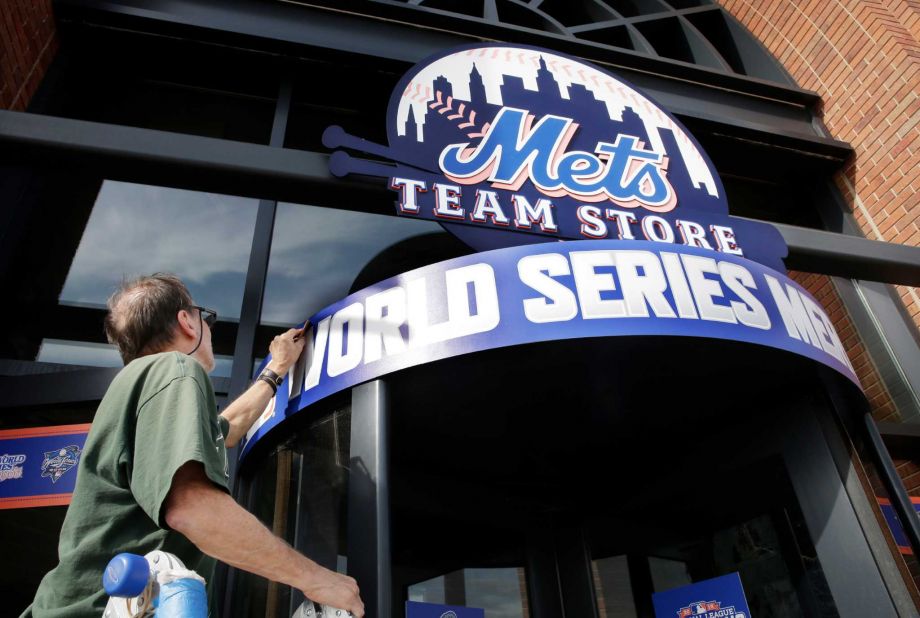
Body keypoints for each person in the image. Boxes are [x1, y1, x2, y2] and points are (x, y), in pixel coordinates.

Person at [22, 273, 364, 617]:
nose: (209, 329)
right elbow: (193, 509)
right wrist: (318, 579)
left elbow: (227, 430)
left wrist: (277, 368)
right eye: (207, 319)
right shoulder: (176, 368)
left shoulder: (140, 385)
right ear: (186, 321)